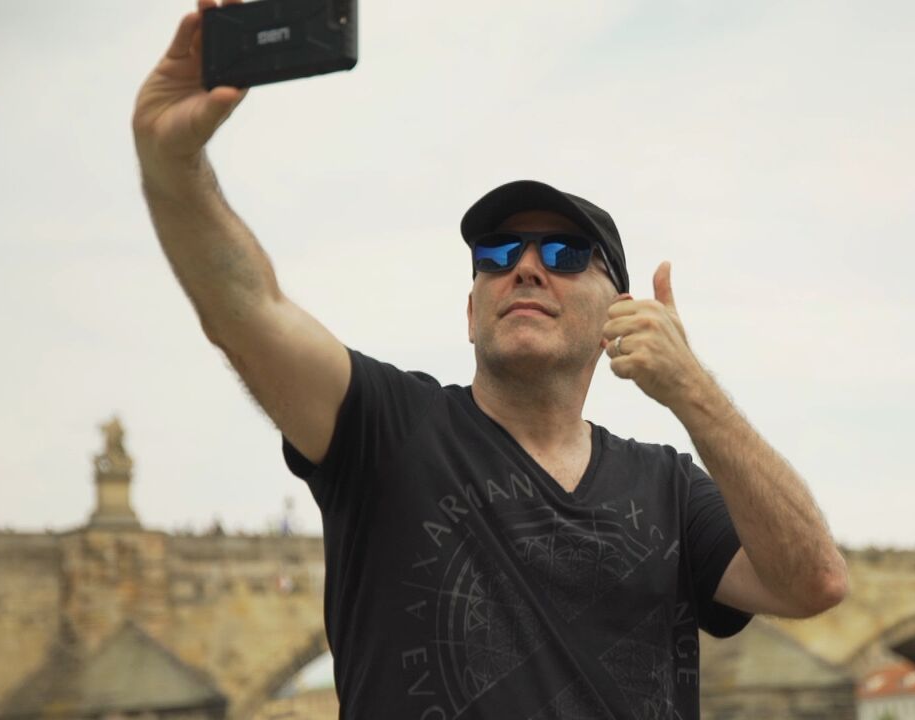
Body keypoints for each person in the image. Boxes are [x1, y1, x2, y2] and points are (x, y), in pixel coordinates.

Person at [132, 2, 848, 717]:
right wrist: (172, 163)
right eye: (498, 255)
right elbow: (246, 309)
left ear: (620, 314)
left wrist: (695, 393)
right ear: (471, 313)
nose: (526, 268)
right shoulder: (386, 431)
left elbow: (813, 581)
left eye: (564, 253)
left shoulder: (671, 492)